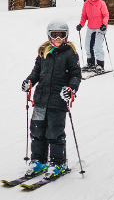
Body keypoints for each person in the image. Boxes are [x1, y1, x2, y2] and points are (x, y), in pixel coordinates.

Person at [21, 20, 82, 179]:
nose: (57, 39)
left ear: (66, 36)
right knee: (37, 130)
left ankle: (57, 162)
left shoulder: (70, 53)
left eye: (61, 36)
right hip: (40, 100)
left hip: (58, 100)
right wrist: (29, 82)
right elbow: (36, 73)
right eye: (54, 35)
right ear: (49, 36)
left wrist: (71, 89)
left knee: (54, 132)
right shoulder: (43, 52)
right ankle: (38, 160)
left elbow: (76, 75)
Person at [77, 0, 109, 72]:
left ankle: (100, 64)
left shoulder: (101, 3)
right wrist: (81, 24)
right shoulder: (86, 4)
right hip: (90, 27)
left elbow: (106, 15)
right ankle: (90, 63)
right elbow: (84, 16)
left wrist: (104, 24)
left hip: (100, 27)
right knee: (88, 45)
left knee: (98, 46)